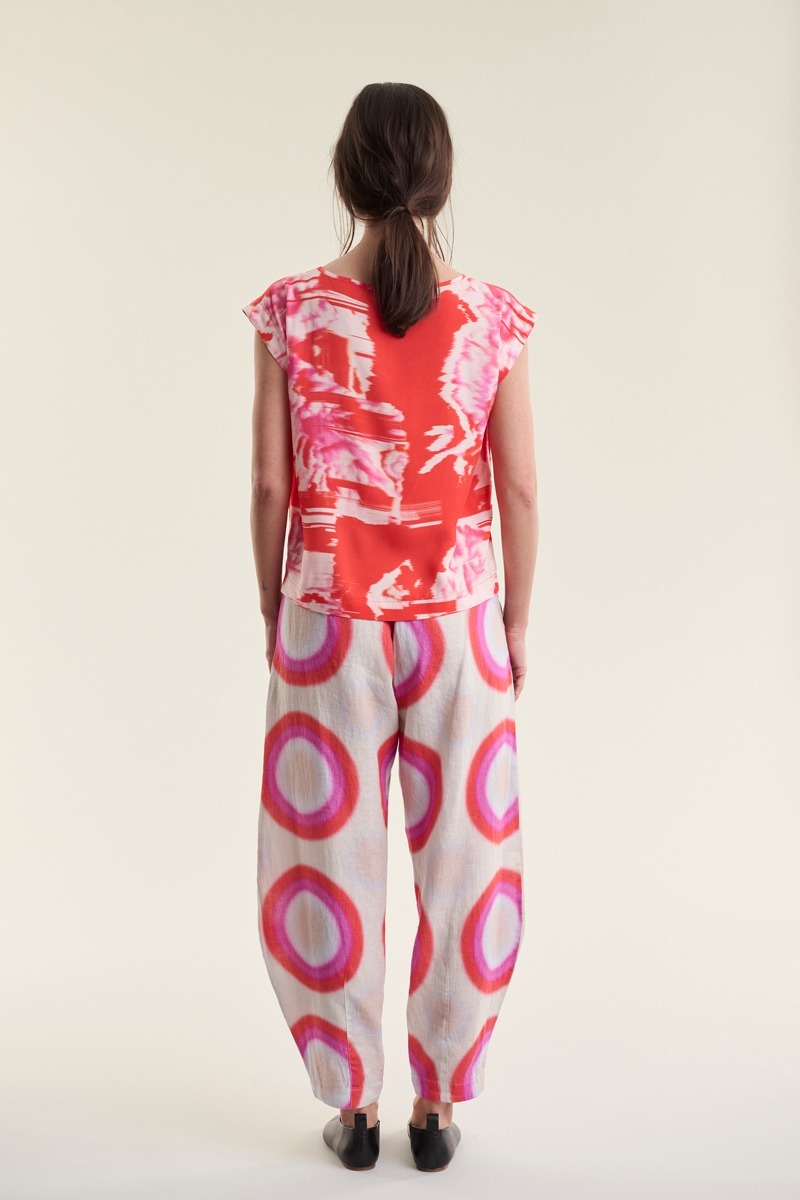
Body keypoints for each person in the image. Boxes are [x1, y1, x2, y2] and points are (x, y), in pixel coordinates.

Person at [243, 81, 539, 1172]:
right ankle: (439, 1108)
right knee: (467, 861)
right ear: (440, 182)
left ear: (346, 176)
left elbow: (270, 487)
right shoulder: (493, 317)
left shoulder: (290, 311)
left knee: (322, 857)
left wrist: (272, 602)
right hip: (458, 623)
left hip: (328, 617)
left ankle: (354, 1107)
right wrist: (515, 619)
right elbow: (519, 488)